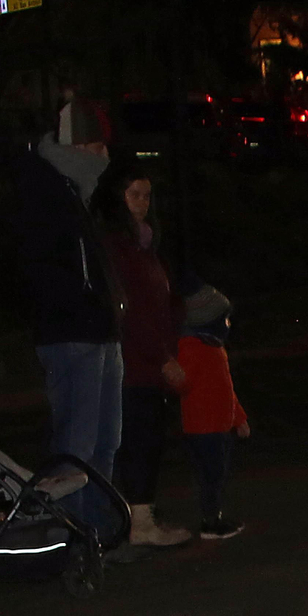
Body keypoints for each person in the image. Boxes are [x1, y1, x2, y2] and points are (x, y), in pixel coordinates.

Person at [13, 97, 125, 532]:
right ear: (80, 147)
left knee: (103, 443)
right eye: (99, 148)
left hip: (95, 329)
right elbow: (48, 267)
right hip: (74, 333)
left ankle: (97, 535)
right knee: (77, 447)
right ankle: (69, 537)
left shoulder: (70, 190)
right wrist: (83, 305)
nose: (105, 158)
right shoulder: (48, 190)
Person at [93, 160, 194, 549]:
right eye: (134, 194)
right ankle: (138, 519)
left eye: (146, 195)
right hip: (134, 362)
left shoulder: (144, 243)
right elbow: (131, 310)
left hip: (149, 358)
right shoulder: (119, 246)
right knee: (140, 438)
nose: (142, 203)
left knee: (147, 436)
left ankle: (139, 515)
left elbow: (157, 300)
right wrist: (161, 355)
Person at [174, 281, 249, 539]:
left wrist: (238, 418)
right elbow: (182, 383)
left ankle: (214, 516)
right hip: (203, 427)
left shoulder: (213, 349)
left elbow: (226, 390)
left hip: (218, 425)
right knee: (211, 475)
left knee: (216, 474)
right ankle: (210, 521)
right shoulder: (193, 349)